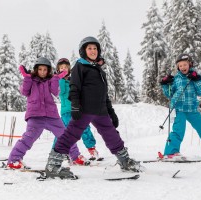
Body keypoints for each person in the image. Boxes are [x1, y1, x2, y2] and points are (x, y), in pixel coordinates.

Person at [45, 36, 141, 179]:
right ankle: (53, 165)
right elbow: (74, 87)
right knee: (70, 135)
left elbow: (104, 94)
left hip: (101, 111)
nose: (93, 51)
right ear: (83, 51)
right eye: (89, 48)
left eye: (95, 48)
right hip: (84, 109)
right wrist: (76, 105)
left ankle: (125, 161)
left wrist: (111, 112)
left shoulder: (100, 71)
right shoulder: (80, 66)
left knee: (112, 135)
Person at [7, 57, 86, 169]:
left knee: (65, 135)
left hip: (51, 115)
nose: (43, 72)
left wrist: (55, 79)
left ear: (48, 70)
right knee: (28, 138)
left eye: (45, 70)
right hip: (35, 116)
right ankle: (13, 160)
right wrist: (27, 78)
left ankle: (75, 157)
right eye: (40, 69)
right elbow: (24, 92)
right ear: (36, 70)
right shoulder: (31, 80)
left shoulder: (50, 80)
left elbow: (55, 92)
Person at [160, 53, 201, 160]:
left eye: (185, 64)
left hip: (192, 109)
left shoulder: (195, 77)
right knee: (178, 131)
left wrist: (197, 80)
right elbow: (169, 94)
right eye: (180, 66)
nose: (183, 67)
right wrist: (166, 84)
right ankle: (171, 152)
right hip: (179, 109)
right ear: (178, 67)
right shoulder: (176, 79)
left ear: (190, 64)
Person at [52, 58, 103, 161]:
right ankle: (56, 152)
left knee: (85, 128)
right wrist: (59, 78)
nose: (64, 69)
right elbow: (60, 92)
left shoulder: (73, 81)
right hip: (66, 112)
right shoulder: (58, 81)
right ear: (58, 70)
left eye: (66, 67)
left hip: (78, 110)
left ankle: (92, 149)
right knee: (63, 133)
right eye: (61, 68)